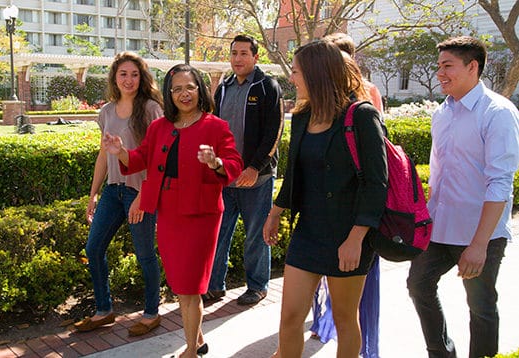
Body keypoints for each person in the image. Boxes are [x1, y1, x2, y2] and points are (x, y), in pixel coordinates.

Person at [102, 64, 243, 358]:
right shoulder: (159, 127)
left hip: (201, 215)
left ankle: (191, 350)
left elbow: (233, 165)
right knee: (181, 284)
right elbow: (142, 158)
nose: (183, 94)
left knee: (190, 287)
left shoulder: (215, 126)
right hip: (168, 213)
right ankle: (199, 339)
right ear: (169, 93)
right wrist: (120, 152)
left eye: (189, 87)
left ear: (200, 89)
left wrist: (215, 162)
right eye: (176, 88)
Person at [263, 39, 387, 357]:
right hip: (310, 233)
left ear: (317, 74)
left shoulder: (362, 116)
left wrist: (357, 237)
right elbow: (294, 174)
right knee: (290, 317)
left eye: (296, 72)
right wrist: (276, 211)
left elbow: (377, 183)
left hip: (349, 235)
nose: (291, 79)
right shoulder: (304, 116)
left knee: (346, 320)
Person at [406, 36, 519, 358]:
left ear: (472, 67)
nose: (440, 72)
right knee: (418, 285)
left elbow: (500, 182)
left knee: (481, 305)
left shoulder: (498, 113)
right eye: (439, 65)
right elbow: (440, 174)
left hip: (479, 233)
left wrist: (480, 245)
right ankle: (441, 353)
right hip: (440, 228)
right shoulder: (442, 113)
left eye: (447, 66)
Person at [73, 51, 163, 336]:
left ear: (142, 77)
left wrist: (143, 195)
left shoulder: (150, 109)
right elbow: (103, 154)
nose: (129, 79)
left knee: (145, 254)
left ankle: (151, 313)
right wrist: (93, 193)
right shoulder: (107, 111)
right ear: (114, 77)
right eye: (123, 74)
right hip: (113, 190)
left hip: (140, 191)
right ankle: (104, 309)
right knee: (94, 248)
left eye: (135, 74)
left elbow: (158, 157)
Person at [310, 33, 384, 358]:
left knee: (357, 291)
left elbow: (373, 163)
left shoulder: (365, 99)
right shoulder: (317, 98)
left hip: (356, 212)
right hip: (324, 212)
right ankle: (324, 325)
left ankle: (361, 345)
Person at [203, 34, 284, 305]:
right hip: (225, 177)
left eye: (244, 54)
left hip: (256, 179)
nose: (238, 59)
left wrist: (253, 168)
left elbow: (274, 133)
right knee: (219, 232)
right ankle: (215, 285)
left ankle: (257, 286)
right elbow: (213, 128)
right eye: (234, 53)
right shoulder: (224, 87)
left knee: (255, 235)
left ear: (255, 57)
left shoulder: (267, 87)